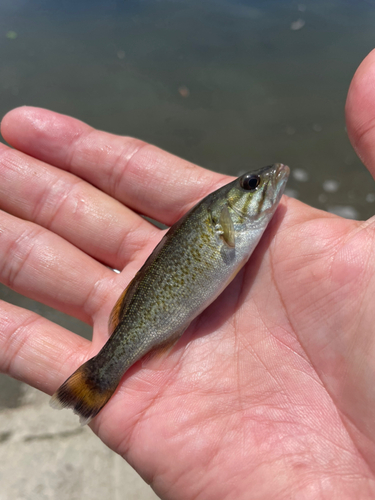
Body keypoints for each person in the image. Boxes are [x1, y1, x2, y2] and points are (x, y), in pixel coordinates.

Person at [1, 50, 375, 499]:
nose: (266, 179)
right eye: (250, 186)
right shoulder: (226, 228)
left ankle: (94, 383)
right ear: (222, 220)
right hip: (158, 318)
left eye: (250, 184)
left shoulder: (237, 227)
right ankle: (97, 378)